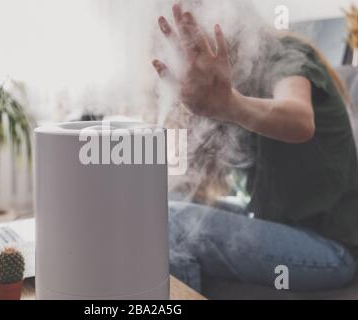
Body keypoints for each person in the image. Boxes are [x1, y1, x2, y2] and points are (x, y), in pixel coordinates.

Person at [152, 4, 358, 292]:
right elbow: (203, 181)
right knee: (160, 204)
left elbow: (300, 119)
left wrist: (229, 105)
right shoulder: (230, 81)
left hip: (331, 249)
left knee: (171, 221)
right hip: (270, 220)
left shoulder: (284, 52)